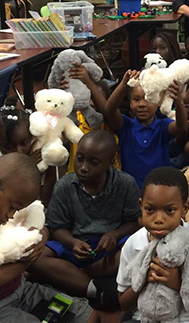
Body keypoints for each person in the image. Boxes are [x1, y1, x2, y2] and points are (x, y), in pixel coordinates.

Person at [28, 130, 141, 309]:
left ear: (111, 162)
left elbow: (134, 222)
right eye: (79, 158)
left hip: (109, 248)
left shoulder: (126, 184)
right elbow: (57, 227)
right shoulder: (65, 185)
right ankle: (94, 288)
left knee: (140, 249)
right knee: (33, 257)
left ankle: (73, 276)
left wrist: (114, 234)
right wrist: (72, 242)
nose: (83, 167)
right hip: (74, 246)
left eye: (93, 162)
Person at [117, 167, 189, 322]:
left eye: (170, 210)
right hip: (147, 317)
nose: (158, 219)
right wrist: (143, 279)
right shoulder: (133, 244)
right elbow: (124, 303)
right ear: (141, 206)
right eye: (150, 209)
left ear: (185, 208)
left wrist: (178, 283)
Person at [0, 153, 95, 322]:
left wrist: (40, 238)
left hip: (21, 289)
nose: (11, 215)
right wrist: (27, 261)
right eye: (13, 207)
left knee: (88, 316)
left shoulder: (10, 208)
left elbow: (42, 227)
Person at [104, 69, 188, 188]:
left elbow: (181, 126)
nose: (142, 104)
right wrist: (124, 84)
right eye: (136, 99)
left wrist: (179, 102)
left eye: (148, 99)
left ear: (158, 101)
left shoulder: (163, 126)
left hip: (160, 189)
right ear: (130, 103)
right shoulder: (126, 126)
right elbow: (109, 109)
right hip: (131, 190)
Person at [0, 102, 56, 207]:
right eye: (8, 147)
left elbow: (46, 199)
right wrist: (28, 166)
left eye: (24, 143)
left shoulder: (39, 153)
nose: (18, 150)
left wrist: (50, 162)